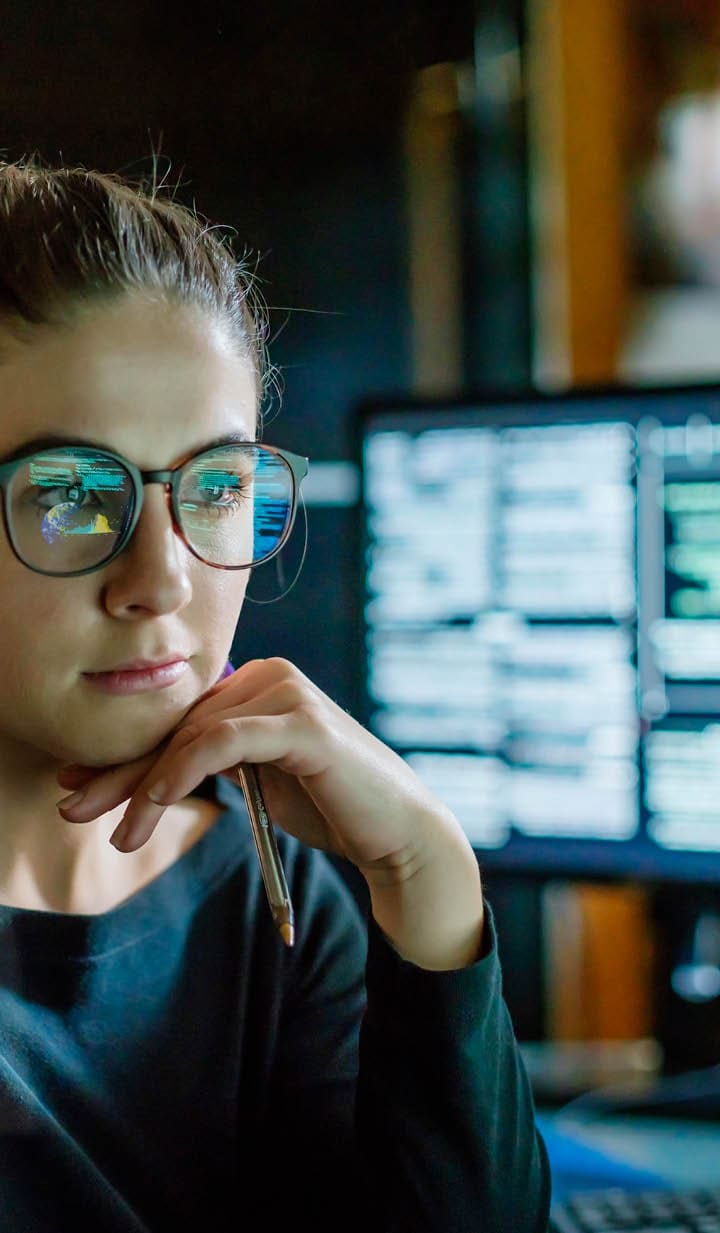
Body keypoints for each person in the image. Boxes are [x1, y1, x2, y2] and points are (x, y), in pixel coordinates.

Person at [0, 153, 551, 1232]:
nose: (160, 579)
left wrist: (427, 871)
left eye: (218, 487)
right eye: (67, 496)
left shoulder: (275, 905)